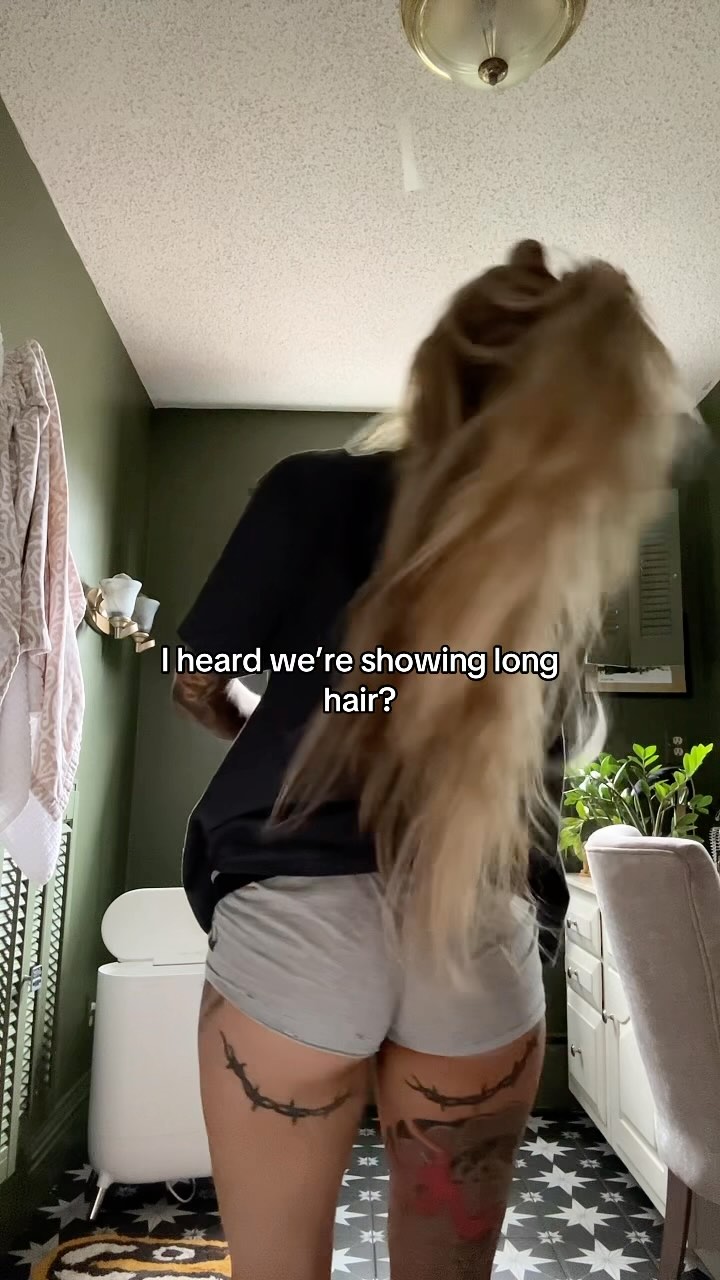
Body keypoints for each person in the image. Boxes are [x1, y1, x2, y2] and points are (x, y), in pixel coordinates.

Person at [173, 240, 683, 1280]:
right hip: (477, 926)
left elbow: (200, 677)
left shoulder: (312, 491)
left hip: (296, 918)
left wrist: (281, 719)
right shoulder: (553, 562)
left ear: (440, 368)